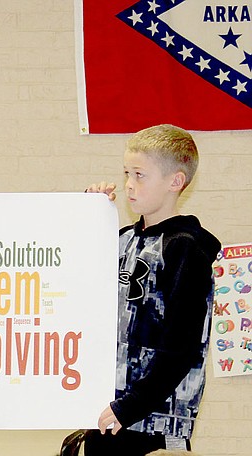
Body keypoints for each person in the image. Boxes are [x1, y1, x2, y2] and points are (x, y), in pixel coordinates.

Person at [84, 124, 220, 455]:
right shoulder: (123, 240)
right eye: (127, 173)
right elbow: (75, 290)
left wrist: (131, 406)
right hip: (108, 410)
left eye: (140, 175)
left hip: (150, 421)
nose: (129, 184)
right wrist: (87, 217)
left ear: (175, 181)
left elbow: (181, 347)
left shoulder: (185, 249)